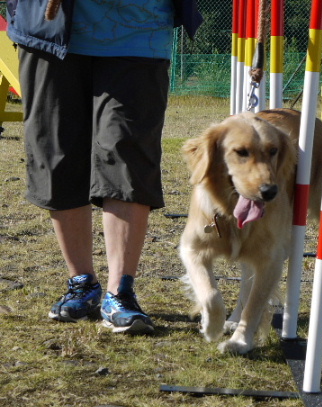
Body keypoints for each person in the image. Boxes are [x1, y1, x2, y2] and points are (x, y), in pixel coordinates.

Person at [6, 0, 201, 334]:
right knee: (57, 154)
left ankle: (119, 292)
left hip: (139, 29)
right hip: (48, 28)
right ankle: (81, 282)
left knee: (128, 154)